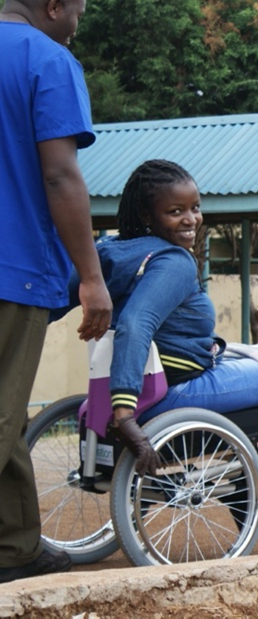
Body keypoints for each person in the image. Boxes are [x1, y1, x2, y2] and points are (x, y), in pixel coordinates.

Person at [51, 159, 258, 520]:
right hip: (176, 390)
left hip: (136, 384)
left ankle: (248, 474)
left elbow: (49, 302)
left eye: (195, 208)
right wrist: (124, 416)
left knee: (256, 358)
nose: (191, 219)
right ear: (147, 214)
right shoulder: (174, 261)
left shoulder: (107, 253)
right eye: (175, 211)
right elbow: (134, 325)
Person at [0, 0, 111, 583]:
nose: (77, 24)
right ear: (53, 6)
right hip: (10, 267)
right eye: (79, 12)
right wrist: (90, 277)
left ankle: (14, 547)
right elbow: (59, 173)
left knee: (10, 408)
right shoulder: (48, 59)